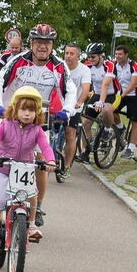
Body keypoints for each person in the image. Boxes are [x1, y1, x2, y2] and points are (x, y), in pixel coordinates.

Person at [0, 23, 75, 225]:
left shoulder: (59, 66)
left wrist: (67, 111)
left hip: (38, 122)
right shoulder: (18, 61)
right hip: (10, 117)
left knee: (41, 161)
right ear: (31, 43)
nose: (42, 47)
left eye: (47, 43)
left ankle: (38, 206)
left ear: (52, 45)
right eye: (38, 42)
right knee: (5, 157)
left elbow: (70, 90)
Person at [0, 87, 56, 242]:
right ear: (14, 109)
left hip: (25, 170)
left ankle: (31, 224)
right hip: (2, 168)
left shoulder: (37, 130)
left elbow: (46, 147)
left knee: (32, 195)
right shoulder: (5, 125)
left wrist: (51, 161)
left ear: (38, 113)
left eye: (32, 111)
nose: (27, 114)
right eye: (23, 109)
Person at [110, 44, 137, 159]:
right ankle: (121, 128)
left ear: (126, 55)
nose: (118, 56)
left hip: (134, 95)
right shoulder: (114, 64)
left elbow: (133, 84)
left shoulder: (134, 66)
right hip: (121, 94)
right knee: (110, 110)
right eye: (116, 54)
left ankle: (130, 149)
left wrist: (122, 95)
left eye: (120, 54)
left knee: (135, 122)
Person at [61, 42, 90, 177]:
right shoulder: (60, 66)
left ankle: (67, 166)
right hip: (58, 105)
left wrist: (79, 102)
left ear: (78, 56)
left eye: (72, 53)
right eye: (67, 53)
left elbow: (85, 89)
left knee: (70, 135)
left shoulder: (84, 70)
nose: (68, 56)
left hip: (73, 108)